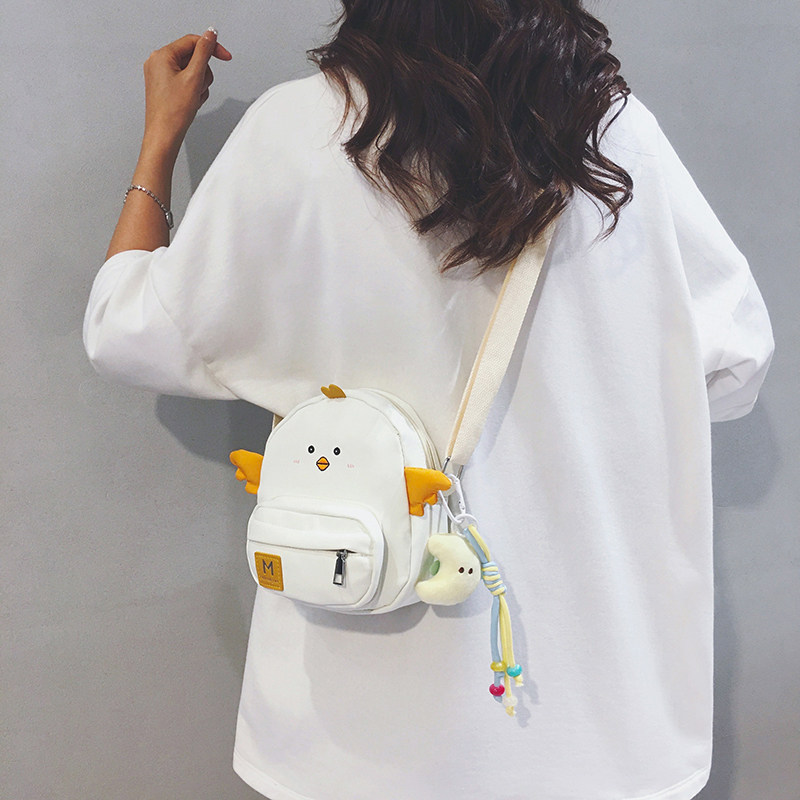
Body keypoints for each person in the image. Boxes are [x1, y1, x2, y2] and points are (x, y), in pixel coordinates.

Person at [83, 5, 775, 800]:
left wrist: (161, 138)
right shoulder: (610, 133)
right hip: (594, 717)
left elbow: (125, 331)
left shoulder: (295, 129)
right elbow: (735, 364)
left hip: (352, 719)